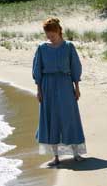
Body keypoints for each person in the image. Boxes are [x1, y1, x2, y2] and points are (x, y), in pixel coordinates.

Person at [32, 17, 86, 167]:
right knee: (51, 119)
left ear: (59, 31)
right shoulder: (41, 48)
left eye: (52, 35)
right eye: (47, 35)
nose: (50, 38)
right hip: (47, 86)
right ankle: (56, 157)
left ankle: (76, 153)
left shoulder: (69, 47)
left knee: (70, 118)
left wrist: (77, 88)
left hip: (65, 84)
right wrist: (39, 91)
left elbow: (75, 67)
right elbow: (37, 71)